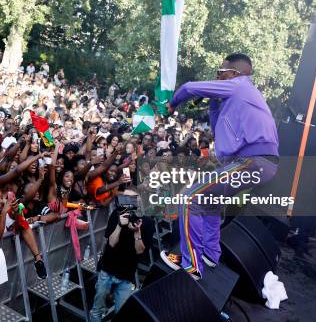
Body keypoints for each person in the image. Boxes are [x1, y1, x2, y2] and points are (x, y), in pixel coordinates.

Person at [161, 53, 279, 280]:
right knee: (210, 202)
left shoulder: (238, 86)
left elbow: (188, 87)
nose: (217, 76)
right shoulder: (240, 97)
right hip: (257, 163)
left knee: (190, 198)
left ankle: (192, 266)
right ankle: (210, 254)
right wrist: (213, 102)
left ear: (235, 73)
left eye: (220, 72)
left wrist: (172, 104)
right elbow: (218, 131)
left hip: (252, 161)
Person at [89, 189, 153, 322]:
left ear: (140, 200)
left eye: (134, 198)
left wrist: (137, 234)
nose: (130, 202)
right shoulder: (115, 215)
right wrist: (119, 225)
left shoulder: (147, 222)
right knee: (97, 310)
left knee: (121, 313)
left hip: (126, 275)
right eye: (126, 199)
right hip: (107, 270)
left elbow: (140, 251)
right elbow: (111, 243)